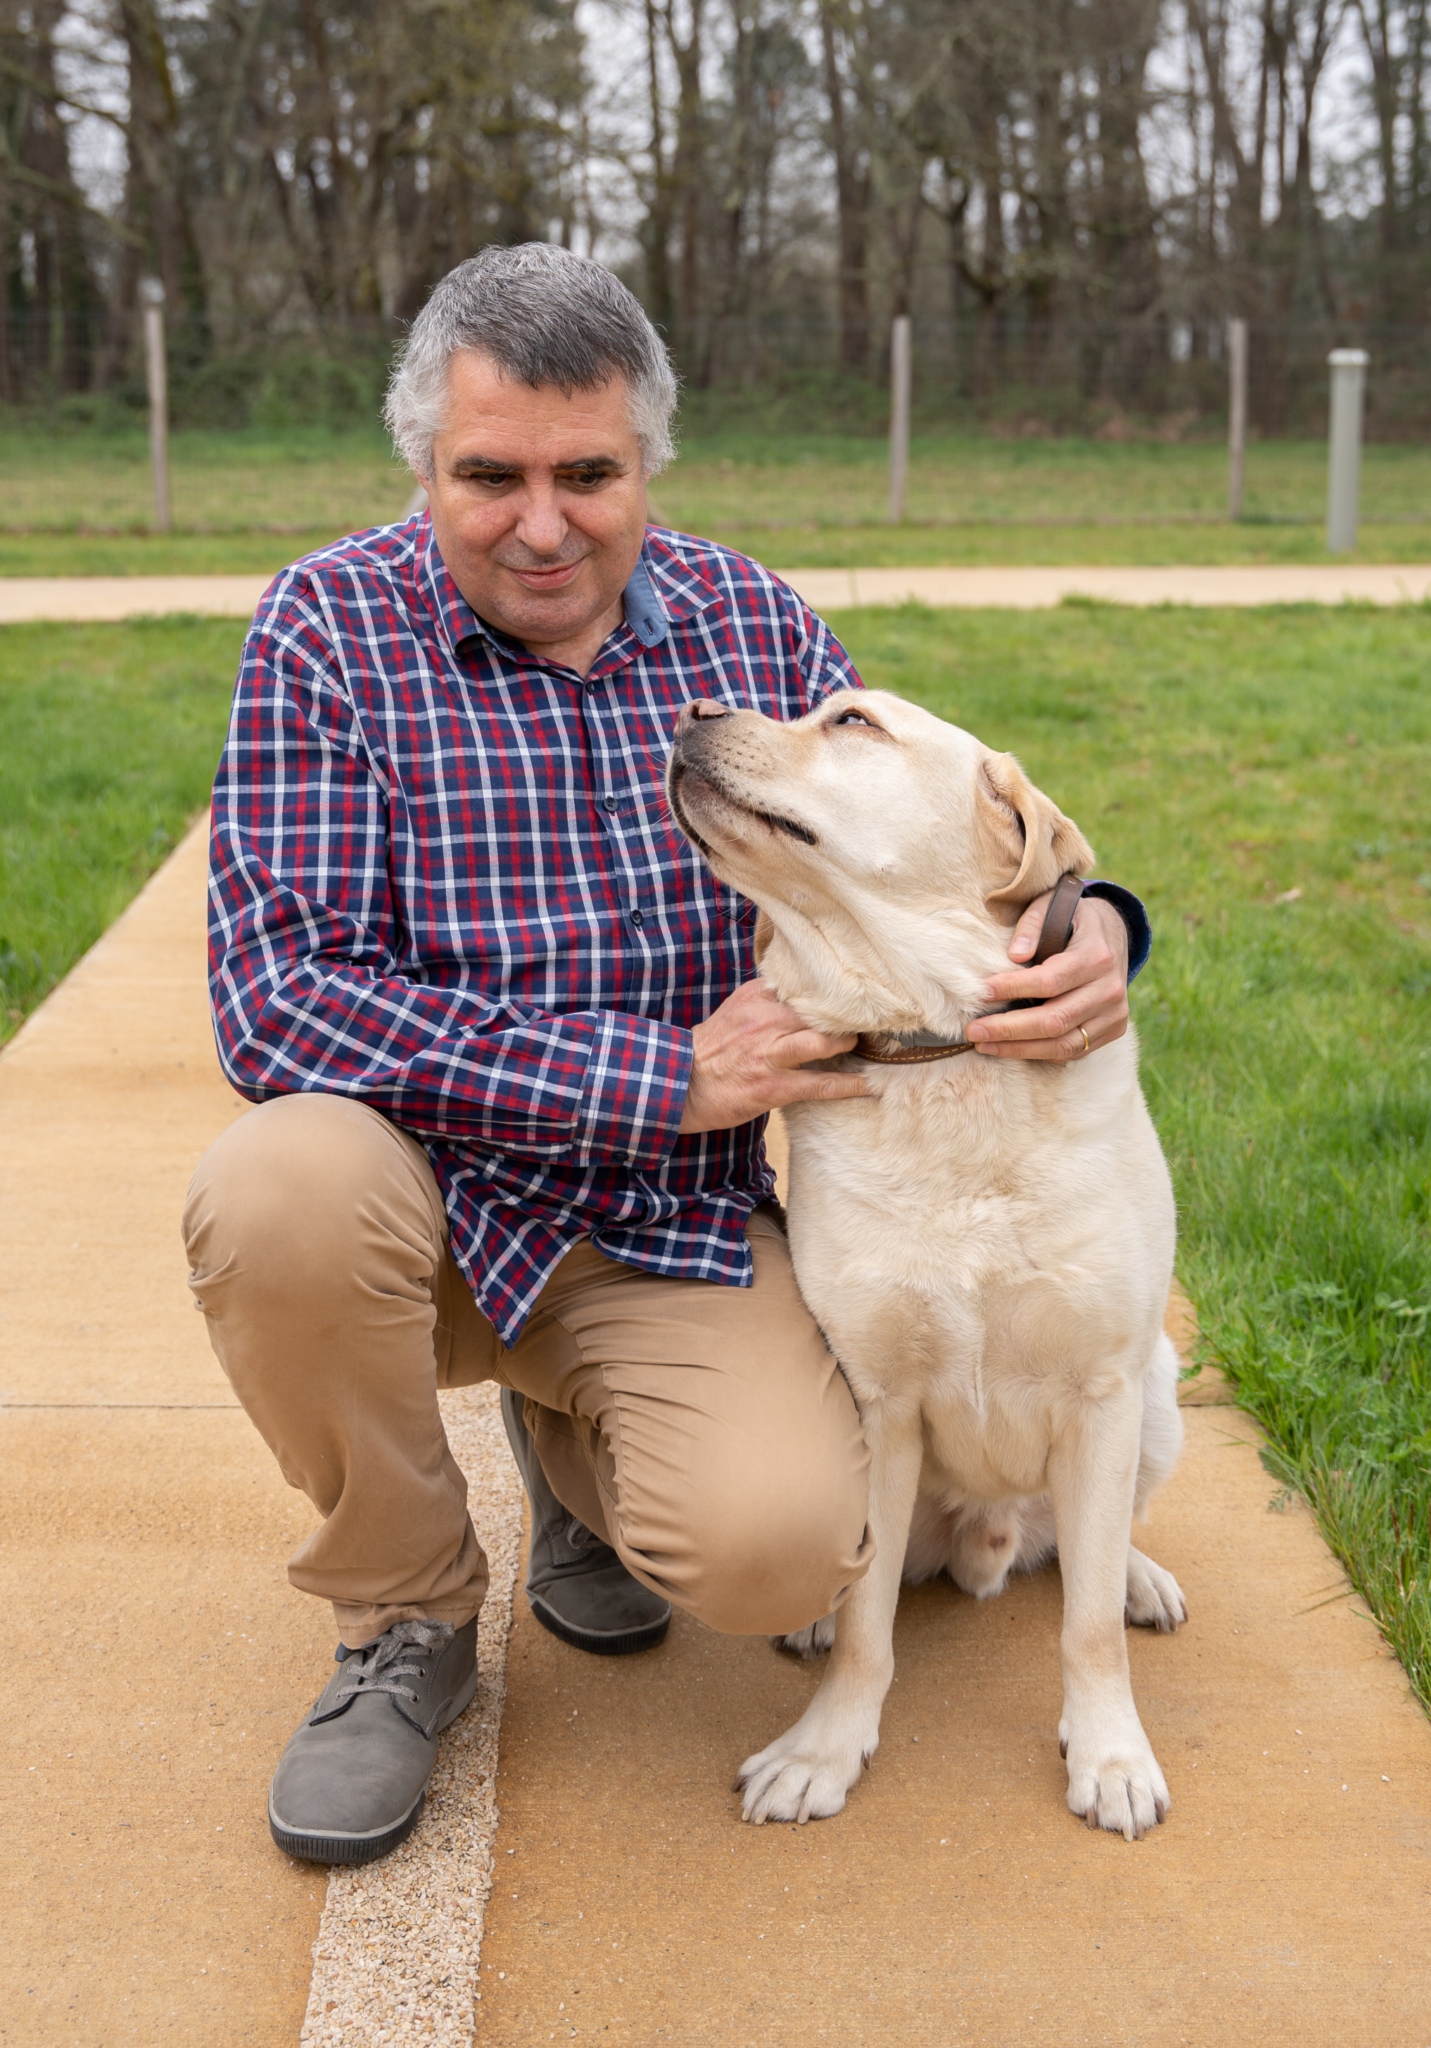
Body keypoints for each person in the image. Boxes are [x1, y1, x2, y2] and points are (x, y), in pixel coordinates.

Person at [182, 243, 1149, 1867]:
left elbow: (925, 844)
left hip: (666, 1229)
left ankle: (581, 1462)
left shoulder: (751, 623)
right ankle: (403, 1620)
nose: (541, 522)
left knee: (780, 1554)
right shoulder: (327, 631)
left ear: (648, 465)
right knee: (274, 1186)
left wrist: (1099, 916)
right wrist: (654, 1079)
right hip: (409, 1212)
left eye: (588, 473)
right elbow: (275, 1000)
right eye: (489, 475)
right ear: (424, 460)